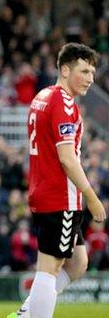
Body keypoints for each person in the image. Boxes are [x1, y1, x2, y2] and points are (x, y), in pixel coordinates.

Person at [8, 43, 107, 318]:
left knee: (78, 262)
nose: (90, 78)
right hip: (59, 195)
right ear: (65, 70)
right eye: (84, 71)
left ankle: (27, 311)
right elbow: (66, 157)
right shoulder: (63, 104)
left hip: (44, 191)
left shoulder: (42, 96)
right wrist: (91, 196)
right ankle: (31, 315)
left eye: (93, 72)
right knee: (49, 268)